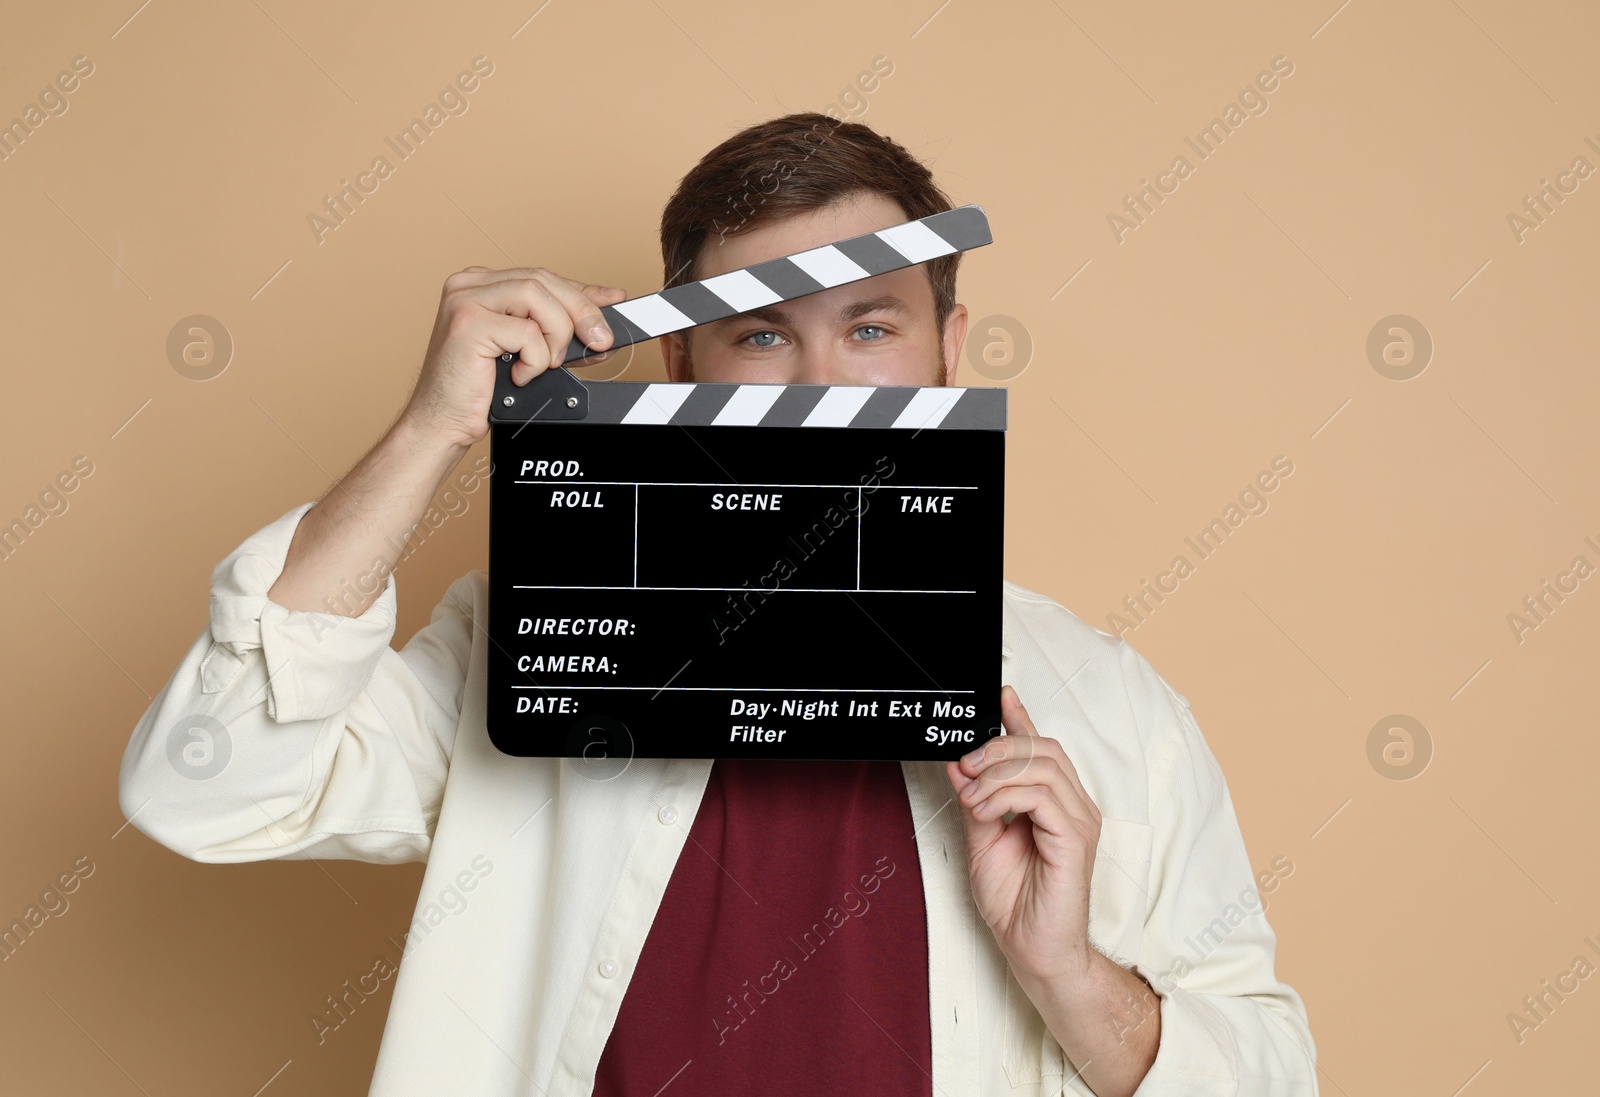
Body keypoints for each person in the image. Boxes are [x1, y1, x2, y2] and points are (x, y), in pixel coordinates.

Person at [119, 113, 1317, 1096]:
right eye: (758, 334)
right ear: (680, 367)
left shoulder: (1108, 708)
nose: (819, 385)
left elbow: (1268, 1076)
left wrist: (1065, 971)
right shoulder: (528, 640)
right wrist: (433, 427)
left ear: (947, 350)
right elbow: (204, 784)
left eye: (870, 326)